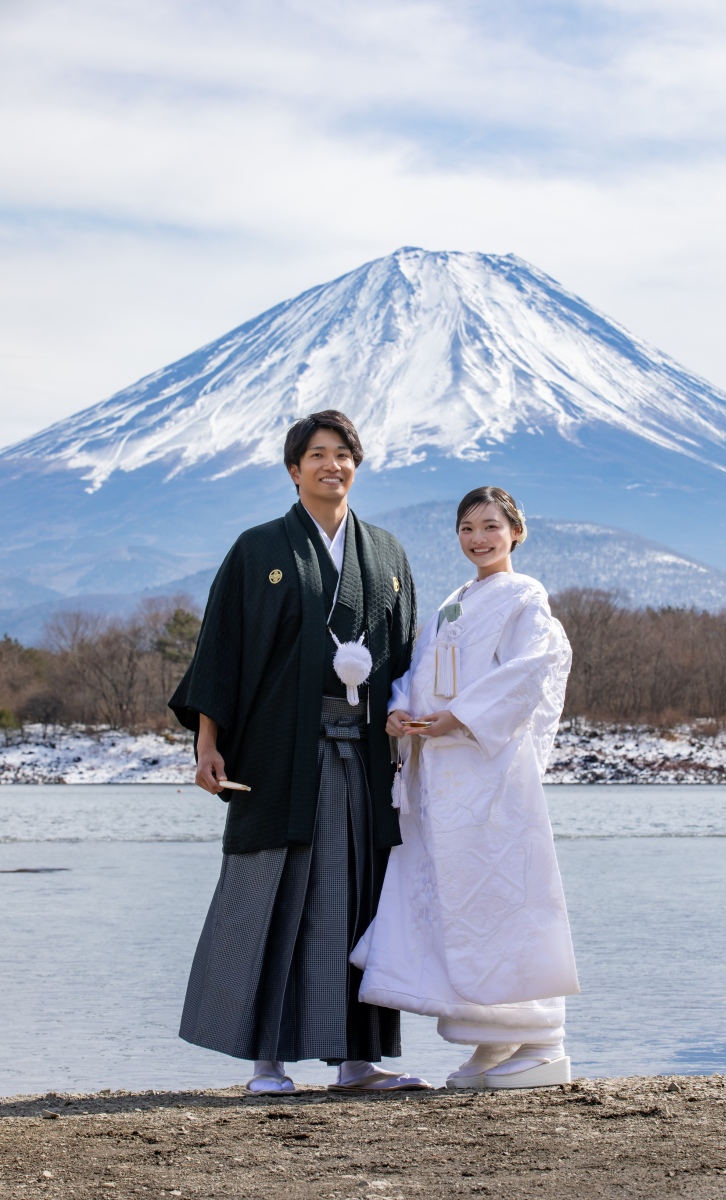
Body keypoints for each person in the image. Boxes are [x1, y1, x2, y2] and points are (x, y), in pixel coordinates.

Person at [169, 411, 430, 1094]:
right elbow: (220, 653)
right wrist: (207, 744)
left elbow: (405, 664)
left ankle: (357, 1060)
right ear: (293, 470)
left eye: (343, 455)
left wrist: (413, 741)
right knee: (273, 899)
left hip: (365, 756)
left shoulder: (388, 555)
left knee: (359, 899)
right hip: (281, 755)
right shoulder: (258, 550)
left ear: (357, 466)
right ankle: (267, 1061)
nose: (331, 466)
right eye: (316, 455)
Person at [351, 486, 579, 1090]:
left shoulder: (525, 595)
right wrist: (399, 713)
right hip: (440, 772)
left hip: (489, 771)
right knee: (460, 898)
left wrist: (463, 717)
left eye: (490, 527)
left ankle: (540, 1036)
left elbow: (531, 668)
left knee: (502, 893)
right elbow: (418, 672)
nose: (478, 539)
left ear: (516, 532)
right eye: (467, 529)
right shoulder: (455, 600)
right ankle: (491, 1034)